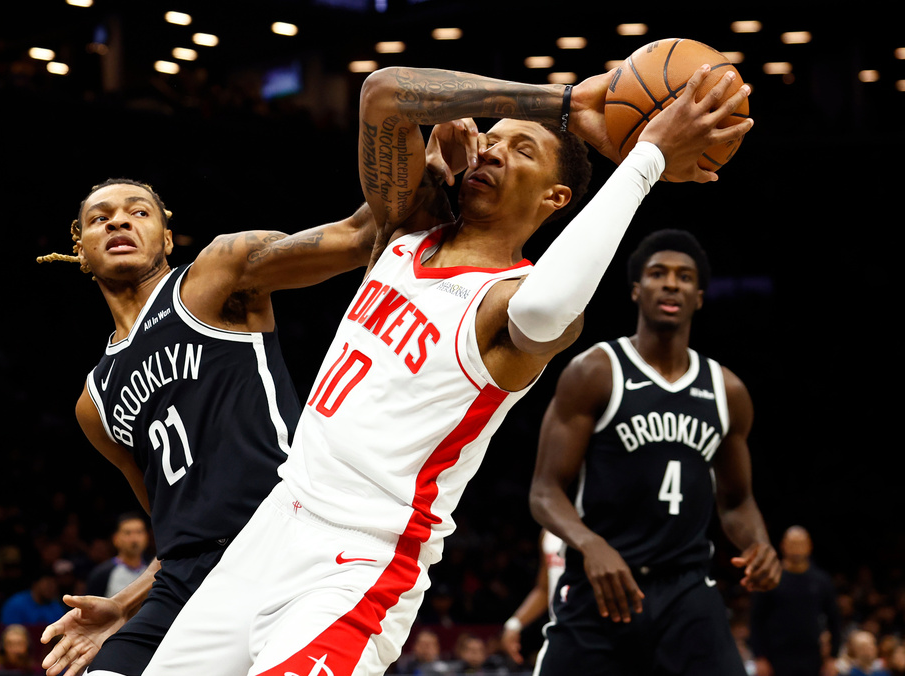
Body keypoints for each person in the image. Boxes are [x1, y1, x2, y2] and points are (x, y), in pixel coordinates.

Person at [139, 61, 753, 676]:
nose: (492, 149)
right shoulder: (408, 228)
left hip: (359, 567)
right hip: (274, 523)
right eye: (492, 137)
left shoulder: (513, 303)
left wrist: (644, 160)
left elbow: (546, 306)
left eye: (522, 148)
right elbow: (383, 93)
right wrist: (564, 104)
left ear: (555, 198)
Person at [36, 179, 378, 676]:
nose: (118, 221)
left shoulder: (217, 275)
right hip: (186, 581)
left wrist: (425, 151)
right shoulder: (95, 401)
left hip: (282, 541)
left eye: (138, 212)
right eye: (99, 218)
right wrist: (124, 605)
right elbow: (179, 532)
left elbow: (358, 236)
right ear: (82, 250)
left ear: (168, 238)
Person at [528, 228, 782, 675]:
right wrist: (591, 546)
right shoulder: (596, 371)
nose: (671, 283)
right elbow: (545, 491)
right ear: (636, 290)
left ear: (699, 297)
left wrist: (758, 543)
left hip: (687, 590)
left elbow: (737, 501)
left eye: (684, 277)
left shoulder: (727, 390)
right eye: (658, 274)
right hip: (605, 582)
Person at [751, 525, 842, 676]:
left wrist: (833, 657)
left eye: (801, 543)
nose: (796, 548)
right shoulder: (770, 578)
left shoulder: (821, 581)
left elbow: (835, 620)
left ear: (809, 546)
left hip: (812, 656)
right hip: (777, 656)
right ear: (783, 546)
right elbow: (756, 620)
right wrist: (759, 657)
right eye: (792, 543)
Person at [500, 528, 564, 665]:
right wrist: (514, 625)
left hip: (596, 634)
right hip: (559, 635)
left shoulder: (602, 523)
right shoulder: (549, 531)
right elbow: (544, 589)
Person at [85, 513, 149, 599]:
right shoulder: (101, 574)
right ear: (116, 539)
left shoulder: (155, 570)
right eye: (128, 533)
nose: (134, 539)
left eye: (139, 532)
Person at [0, 571, 67, 626]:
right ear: (35, 583)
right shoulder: (15, 604)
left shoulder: (57, 606)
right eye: (48, 584)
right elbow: (9, 633)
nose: (52, 588)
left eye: (54, 584)